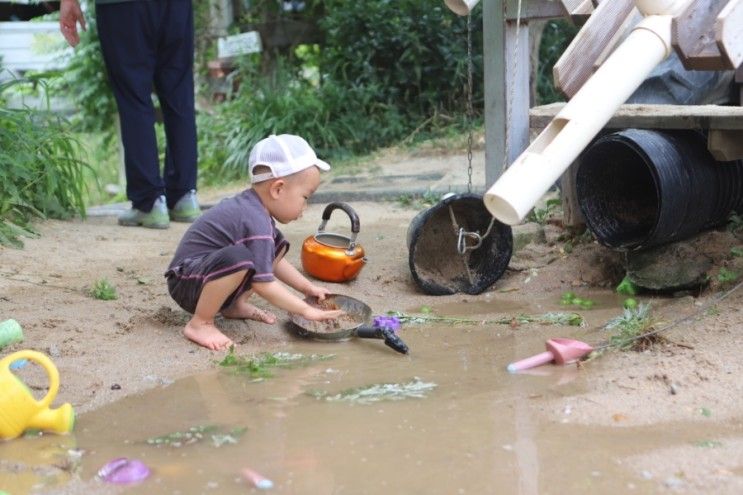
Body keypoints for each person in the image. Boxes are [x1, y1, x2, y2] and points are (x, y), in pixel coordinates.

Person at [165, 134, 344, 350]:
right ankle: (200, 323)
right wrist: (305, 310)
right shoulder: (254, 219)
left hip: (205, 276)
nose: (306, 207)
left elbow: (272, 263)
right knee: (239, 257)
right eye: (306, 197)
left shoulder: (257, 212)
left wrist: (307, 288)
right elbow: (263, 283)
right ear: (277, 189)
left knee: (273, 243)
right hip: (186, 280)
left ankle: (233, 305)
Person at [59, 0, 201, 229]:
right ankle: (184, 195)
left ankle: (149, 202)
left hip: (122, 6)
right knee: (179, 94)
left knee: (134, 96)